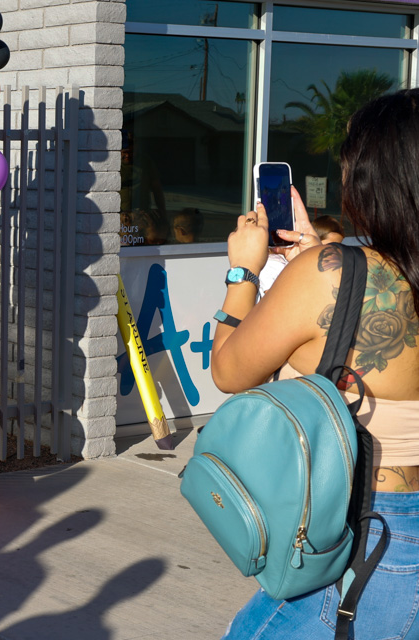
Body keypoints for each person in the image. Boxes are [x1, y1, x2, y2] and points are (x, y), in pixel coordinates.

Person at [212, 89, 419, 639]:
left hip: (367, 533)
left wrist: (244, 273)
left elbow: (230, 371)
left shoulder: (332, 271)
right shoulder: (337, 267)